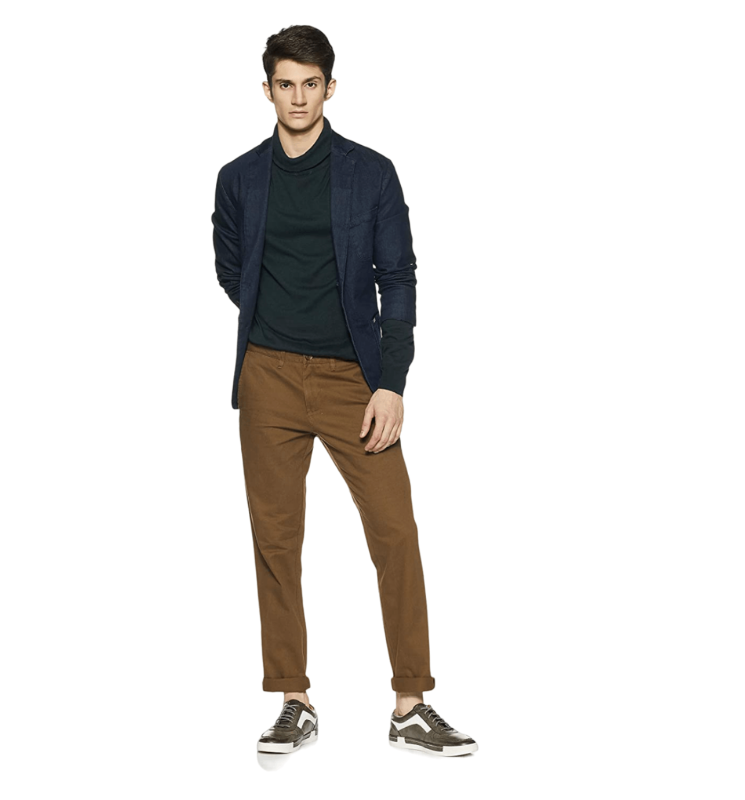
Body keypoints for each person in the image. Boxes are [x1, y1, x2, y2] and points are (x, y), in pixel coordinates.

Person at [211, 24, 477, 757]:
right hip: (267, 375)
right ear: (267, 90)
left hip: (352, 380)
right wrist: (275, 324)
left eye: (310, 84)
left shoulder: (371, 173)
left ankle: (410, 705)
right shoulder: (238, 178)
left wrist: (390, 382)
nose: (298, 98)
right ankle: (293, 699)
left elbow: (399, 279)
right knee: (275, 538)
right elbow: (231, 267)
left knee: (395, 531)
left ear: (330, 87)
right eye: (285, 84)